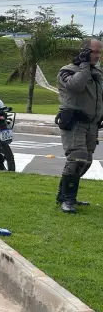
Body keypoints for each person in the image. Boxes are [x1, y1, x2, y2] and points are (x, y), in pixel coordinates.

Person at [55, 38, 103, 213]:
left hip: (91, 124)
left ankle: (63, 194)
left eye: (100, 52)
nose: (98, 56)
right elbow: (75, 87)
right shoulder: (67, 71)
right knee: (77, 158)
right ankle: (68, 200)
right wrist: (84, 66)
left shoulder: (96, 72)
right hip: (74, 123)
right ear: (84, 51)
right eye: (95, 52)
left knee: (86, 161)